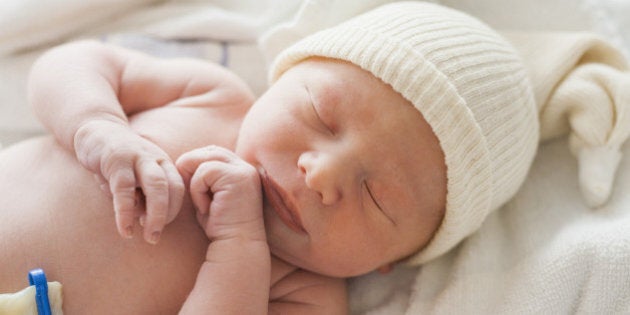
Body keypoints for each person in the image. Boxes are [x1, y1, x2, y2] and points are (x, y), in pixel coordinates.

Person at [1, 1, 628, 314]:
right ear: (283, 79)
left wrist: (238, 251)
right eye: (321, 116)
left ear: (393, 262)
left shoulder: (305, 293)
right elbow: (77, 63)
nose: (321, 174)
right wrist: (98, 127)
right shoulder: (212, 94)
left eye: (379, 197)